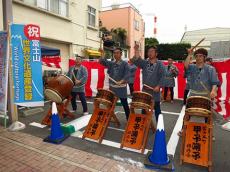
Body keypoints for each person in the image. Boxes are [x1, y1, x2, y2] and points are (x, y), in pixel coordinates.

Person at [131, 45, 165, 122]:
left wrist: (158, 86)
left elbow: (163, 76)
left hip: (155, 91)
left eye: (152, 51)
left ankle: (160, 126)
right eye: (149, 51)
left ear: (156, 54)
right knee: (144, 108)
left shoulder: (160, 64)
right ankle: (142, 125)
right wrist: (136, 49)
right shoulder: (145, 63)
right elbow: (138, 60)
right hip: (145, 90)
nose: (150, 53)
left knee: (157, 110)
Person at [99, 47, 130, 120]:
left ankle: (128, 118)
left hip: (121, 88)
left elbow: (127, 74)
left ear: (121, 54)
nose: (115, 54)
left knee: (124, 103)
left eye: (117, 53)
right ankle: (109, 116)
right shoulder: (111, 63)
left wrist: (122, 81)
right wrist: (102, 53)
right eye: (114, 53)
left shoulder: (125, 64)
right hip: (112, 87)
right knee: (110, 103)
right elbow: (103, 61)